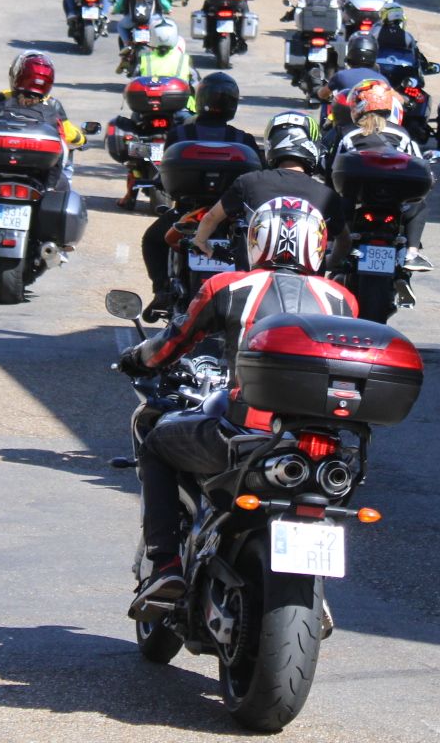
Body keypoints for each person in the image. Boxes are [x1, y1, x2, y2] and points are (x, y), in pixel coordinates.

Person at [118, 197, 359, 611]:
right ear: (317, 245)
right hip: (312, 442)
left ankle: (164, 565)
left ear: (256, 240)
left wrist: (136, 356)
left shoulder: (227, 287)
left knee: (157, 441)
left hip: (243, 433)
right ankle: (314, 591)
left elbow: (170, 346)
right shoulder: (341, 299)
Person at [139, 72, 260, 289]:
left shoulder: (180, 134)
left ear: (200, 99)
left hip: (188, 213)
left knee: (152, 240)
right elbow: (258, 177)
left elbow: (165, 173)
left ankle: (161, 290)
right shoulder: (244, 139)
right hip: (230, 216)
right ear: (232, 105)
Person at [190, 125, 348, 270]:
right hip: (309, 285)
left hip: (255, 277)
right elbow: (344, 240)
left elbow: (211, 218)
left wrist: (200, 242)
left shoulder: (249, 182)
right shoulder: (327, 195)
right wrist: (330, 262)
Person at [330, 80, 431, 270]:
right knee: (420, 206)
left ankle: (336, 245)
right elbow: (418, 161)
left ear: (358, 105)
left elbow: (332, 167)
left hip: (357, 199)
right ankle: (411, 252)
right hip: (395, 199)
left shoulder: (348, 134)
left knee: (335, 201)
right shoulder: (402, 134)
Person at [0, 54, 86, 192]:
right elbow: (69, 135)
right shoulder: (53, 105)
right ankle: (50, 189)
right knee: (63, 184)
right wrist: (82, 138)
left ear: (17, 75)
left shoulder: (0, 98)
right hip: (42, 175)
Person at [135, 20, 195, 88]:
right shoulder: (184, 59)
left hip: (149, 96)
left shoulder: (144, 58)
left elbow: (134, 82)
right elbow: (196, 83)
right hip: (182, 98)